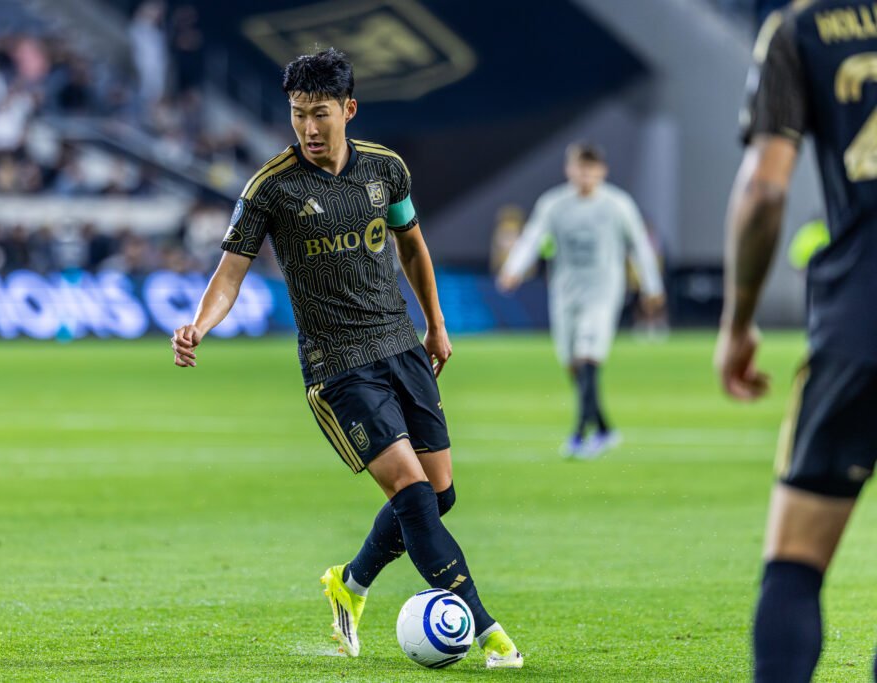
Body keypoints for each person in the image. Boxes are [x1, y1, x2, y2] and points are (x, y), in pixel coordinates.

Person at [169, 48, 523, 669]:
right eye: (298, 113)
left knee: (438, 497)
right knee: (412, 491)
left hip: (401, 347)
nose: (308, 127)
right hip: (338, 365)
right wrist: (200, 324)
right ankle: (486, 629)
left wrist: (436, 324)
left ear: (348, 110)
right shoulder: (270, 188)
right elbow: (230, 273)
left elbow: (412, 245)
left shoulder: (386, 170)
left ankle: (350, 582)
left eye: (320, 113)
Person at [715, 2, 877, 681]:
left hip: (862, 318)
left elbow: (764, 187)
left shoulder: (802, 27)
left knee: (796, 562)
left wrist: (738, 322)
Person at [496, 144, 665, 458]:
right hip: (565, 292)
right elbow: (533, 237)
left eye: (591, 169)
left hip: (603, 290)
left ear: (602, 171)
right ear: (569, 170)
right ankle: (604, 429)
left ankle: (578, 435)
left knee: (589, 354)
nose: (585, 175)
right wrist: (513, 270)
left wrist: (651, 285)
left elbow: (639, 244)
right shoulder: (554, 204)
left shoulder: (618, 204)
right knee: (573, 363)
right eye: (580, 168)